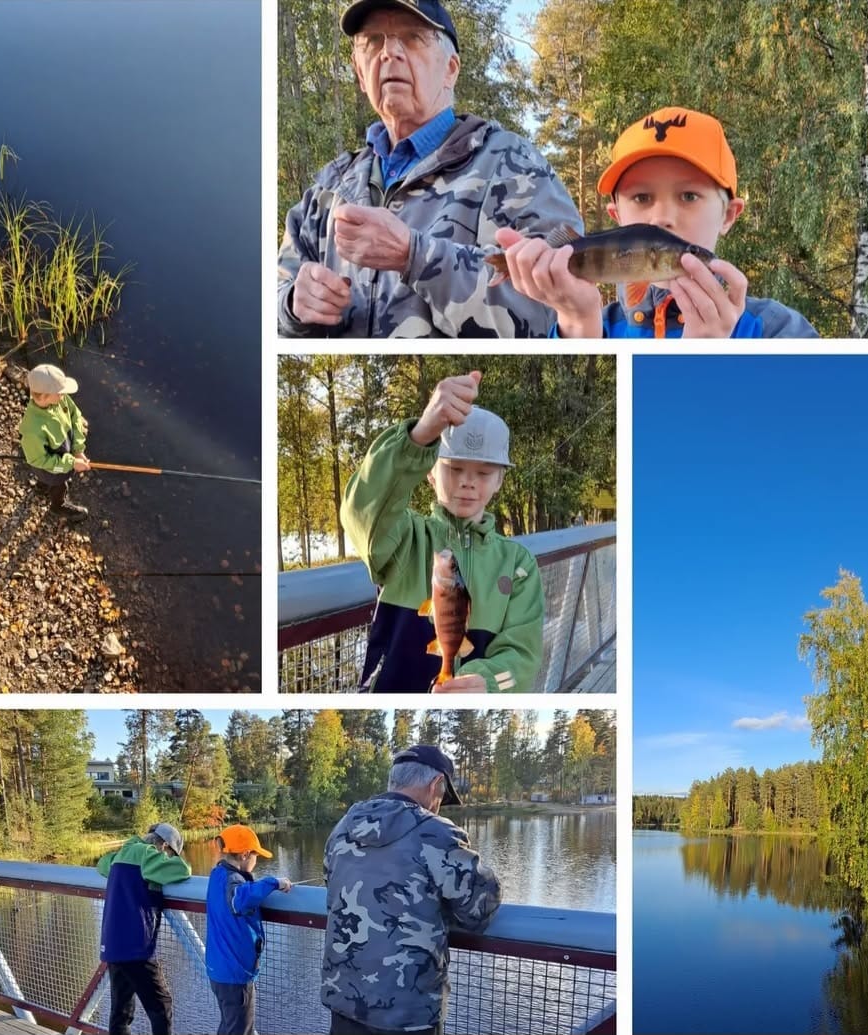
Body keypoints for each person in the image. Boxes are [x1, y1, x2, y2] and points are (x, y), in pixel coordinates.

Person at [277, 0, 582, 338]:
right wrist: (291, 305)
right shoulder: (329, 187)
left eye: (412, 37)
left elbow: (555, 313)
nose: (389, 52)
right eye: (373, 41)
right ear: (359, 72)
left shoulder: (513, 164)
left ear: (451, 69)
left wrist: (416, 256)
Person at [494, 106, 819, 338]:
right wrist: (577, 322)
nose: (661, 217)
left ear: (729, 215)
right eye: (642, 198)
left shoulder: (779, 332)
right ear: (617, 217)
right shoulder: (595, 326)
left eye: (689, 196)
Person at [340, 370, 543, 691]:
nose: (467, 481)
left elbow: (523, 655)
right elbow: (360, 510)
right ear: (430, 472)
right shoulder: (404, 537)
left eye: (484, 472)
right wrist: (419, 437)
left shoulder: (519, 564)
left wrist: (488, 683)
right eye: (454, 468)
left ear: (500, 480)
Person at [322, 746, 501, 1035]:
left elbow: (330, 885)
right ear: (436, 786)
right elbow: (480, 909)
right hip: (408, 1014)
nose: (440, 804)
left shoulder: (343, 827)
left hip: (345, 1001)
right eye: (443, 796)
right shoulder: (438, 833)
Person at [97, 822, 192, 1035]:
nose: (167, 857)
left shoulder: (122, 853)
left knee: (121, 1010)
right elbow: (182, 870)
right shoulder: (147, 855)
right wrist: (175, 859)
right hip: (136, 946)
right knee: (161, 1005)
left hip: (113, 944)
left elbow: (102, 864)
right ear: (164, 845)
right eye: (169, 853)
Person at [205, 825, 294, 1035]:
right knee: (240, 1029)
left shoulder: (217, 874)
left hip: (219, 970)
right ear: (245, 855)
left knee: (228, 1026)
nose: (257, 861)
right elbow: (240, 900)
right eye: (256, 856)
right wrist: (274, 882)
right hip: (235, 974)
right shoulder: (232, 882)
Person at [18, 363, 92, 521]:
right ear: (44, 396)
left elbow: (75, 415)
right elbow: (39, 460)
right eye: (59, 393)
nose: (63, 395)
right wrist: (72, 463)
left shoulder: (60, 399)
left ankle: (42, 487)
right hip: (51, 467)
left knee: (52, 478)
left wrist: (78, 449)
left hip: (64, 455)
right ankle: (58, 505)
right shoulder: (32, 429)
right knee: (59, 483)